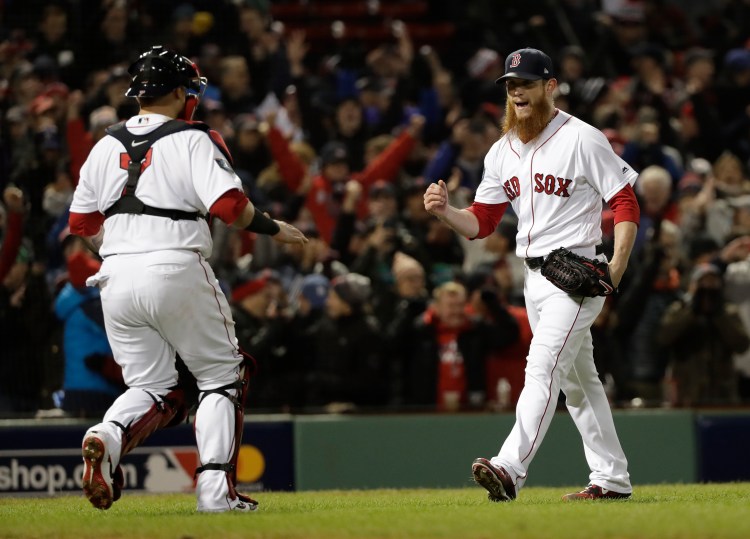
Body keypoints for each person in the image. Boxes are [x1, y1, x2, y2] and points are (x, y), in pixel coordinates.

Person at [68, 45, 307, 513]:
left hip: (115, 274)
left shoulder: (104, 144)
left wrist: (124, 247)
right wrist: (275, 229)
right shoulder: (195, 137)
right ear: (179, 92)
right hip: (176, 262)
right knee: (222, 376)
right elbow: (230, 208)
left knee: (152, 387)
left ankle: (106, 435)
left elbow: (80, 224)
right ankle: (216, 493)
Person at [423, 48, 641, 501]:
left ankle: (508, 467)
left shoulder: (582, 138)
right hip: (534, 277)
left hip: (577, 273)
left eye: (525, 82)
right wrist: (447, 213)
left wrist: (616, 265)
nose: (517, 91)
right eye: (510, 84)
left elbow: (623, 202)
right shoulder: (501, 151)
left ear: (550, 86)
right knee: (581, 383)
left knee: (541, 367)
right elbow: (482, 221)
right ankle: (612, 478)